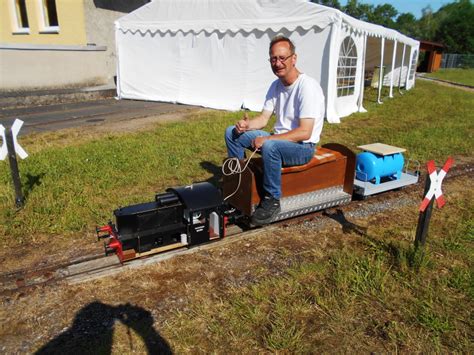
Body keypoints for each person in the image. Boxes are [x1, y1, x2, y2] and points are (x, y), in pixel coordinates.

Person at [225, 35, 325, 226]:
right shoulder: (276, 85)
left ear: (293, 59)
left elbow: (305, 132)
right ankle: (239, 182)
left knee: (271, 145)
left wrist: (269, 140)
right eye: (273, 59)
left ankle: (272, 200)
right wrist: (246, 126)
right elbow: (263, 119)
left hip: (302, 147)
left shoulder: (307, 87)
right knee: (232, 133)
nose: (277, 63)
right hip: (277, 140)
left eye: (282, 58)